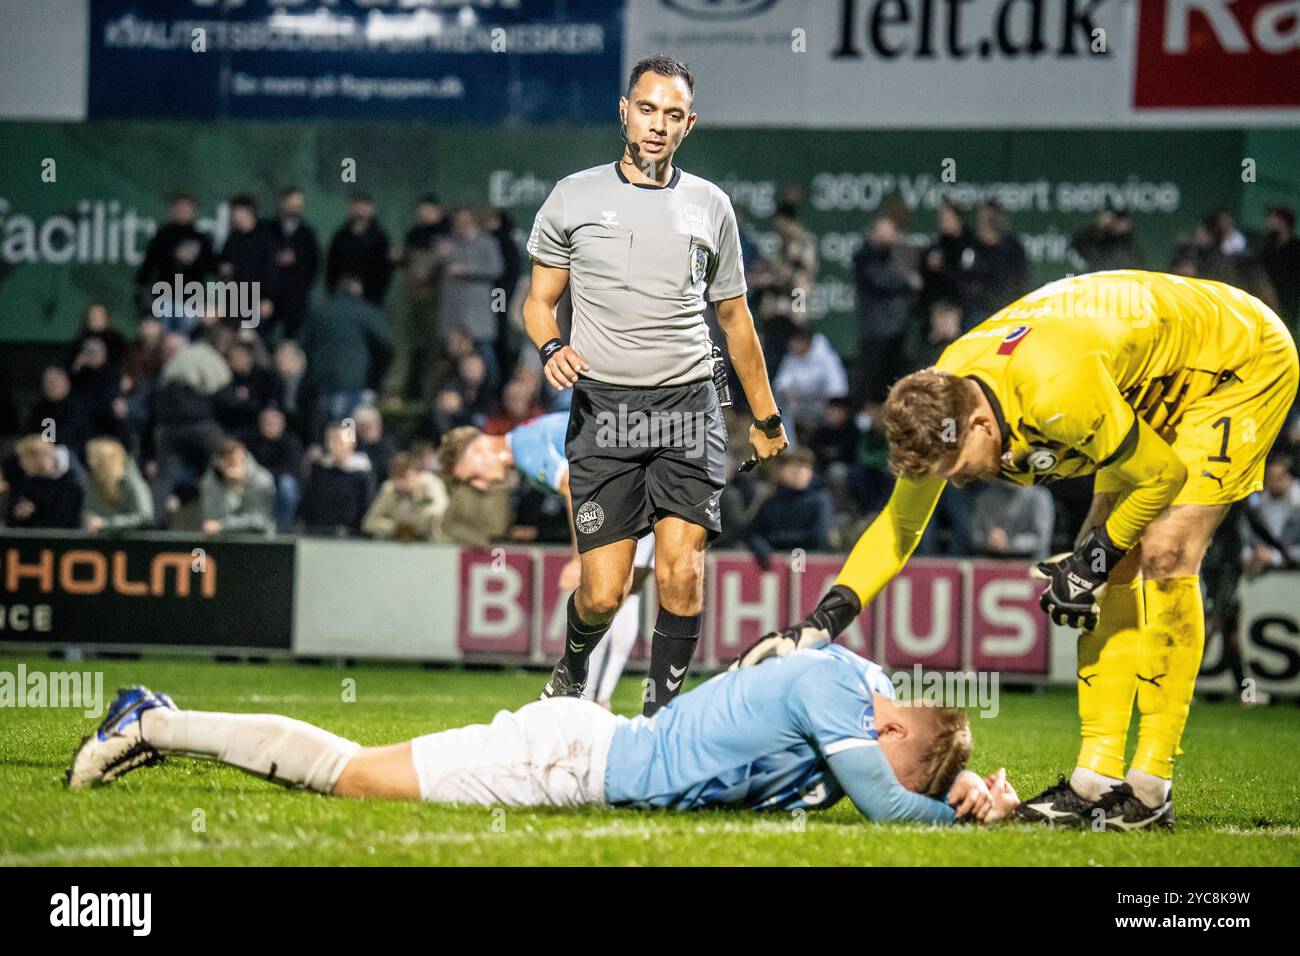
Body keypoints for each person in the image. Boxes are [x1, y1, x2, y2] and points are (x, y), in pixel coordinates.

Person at [741, 270, 1299, 831]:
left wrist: (1092, 564)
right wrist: (817, 625)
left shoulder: (1059, 392)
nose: (956, 484)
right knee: (1105, 551)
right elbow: (898, 527)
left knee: (1163, 552)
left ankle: (1150, 790)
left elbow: (1161, 474)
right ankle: (1095, 782)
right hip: (1140, 368)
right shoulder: (944, 403)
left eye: (957, 471)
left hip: (1234, 359)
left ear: (982, 422)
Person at [67, 646, 1020, 830]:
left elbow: (903, 782)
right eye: (880, 753)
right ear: (884, 724)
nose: (865, 772)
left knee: (356, 783)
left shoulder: (872, 692)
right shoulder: (837, 693)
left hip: (588, 761)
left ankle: (158, 718)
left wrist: (959, 790)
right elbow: (886, 800)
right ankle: (152, 719)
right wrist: (963, 821)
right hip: (567, 760)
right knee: (351, 780)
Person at [524, 54, 787, 712]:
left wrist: (767, 417)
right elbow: (537, 301)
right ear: (624, 110)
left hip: (688, 407)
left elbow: (734, 319)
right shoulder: (573, 196)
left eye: (673, 115)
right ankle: (572, 665)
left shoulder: (710, 206)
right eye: (647, 109)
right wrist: (550, 344)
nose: (657, 125)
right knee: (603, 593)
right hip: (604, 412)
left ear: (688, 125)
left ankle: (660, 716)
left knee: (681, 570)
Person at [439, 412, 657, 711]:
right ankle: (599, 696)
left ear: (478, 451)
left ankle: (594, 698)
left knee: (606, 597)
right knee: (628, 596)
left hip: (627, 492)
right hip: (641, 476)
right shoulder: (532, 435)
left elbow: (573, 486)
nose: (481, 485)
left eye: (472, 476)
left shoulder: (525, 448)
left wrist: (579, 557)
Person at [362, 451, 448, 542]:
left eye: (405, 477)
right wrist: (395, 526)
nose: (400, 483)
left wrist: (411, 523)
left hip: (429, 541)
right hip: (396, 540)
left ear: (417, 474)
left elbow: (439, 514)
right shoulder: (389, 489)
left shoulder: (431, 484)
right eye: (396, 478)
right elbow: (369, 522)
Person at [199, 437, 276, 536]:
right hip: (222, 541)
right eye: (230, 462)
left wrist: (223, 526)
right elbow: (212, 520)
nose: (237, 465)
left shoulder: (262, 480)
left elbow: (259, 522)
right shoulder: (210, 482)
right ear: (217, 462)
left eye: (241, 460)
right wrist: (231, 489)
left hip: (258, 541)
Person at [83, 436, 154, 533]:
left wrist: (106, 523)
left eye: (97, 460)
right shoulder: (94, 481)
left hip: (135, 542)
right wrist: (90, 519)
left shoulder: (131, 481)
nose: (91, 462)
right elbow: (88, 509)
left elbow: (145, 516)